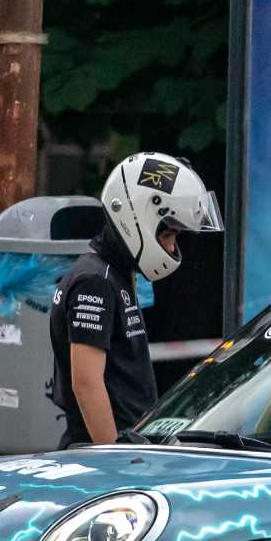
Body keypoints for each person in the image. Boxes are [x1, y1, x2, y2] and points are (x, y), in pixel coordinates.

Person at [50, 152, 223, 447]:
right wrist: (113, 455)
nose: (172, 247)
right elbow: (86, 384)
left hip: (127, 446)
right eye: (168, 235)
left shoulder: (114, 275)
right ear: (139, 217)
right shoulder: (95, 281)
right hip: (102, 455)